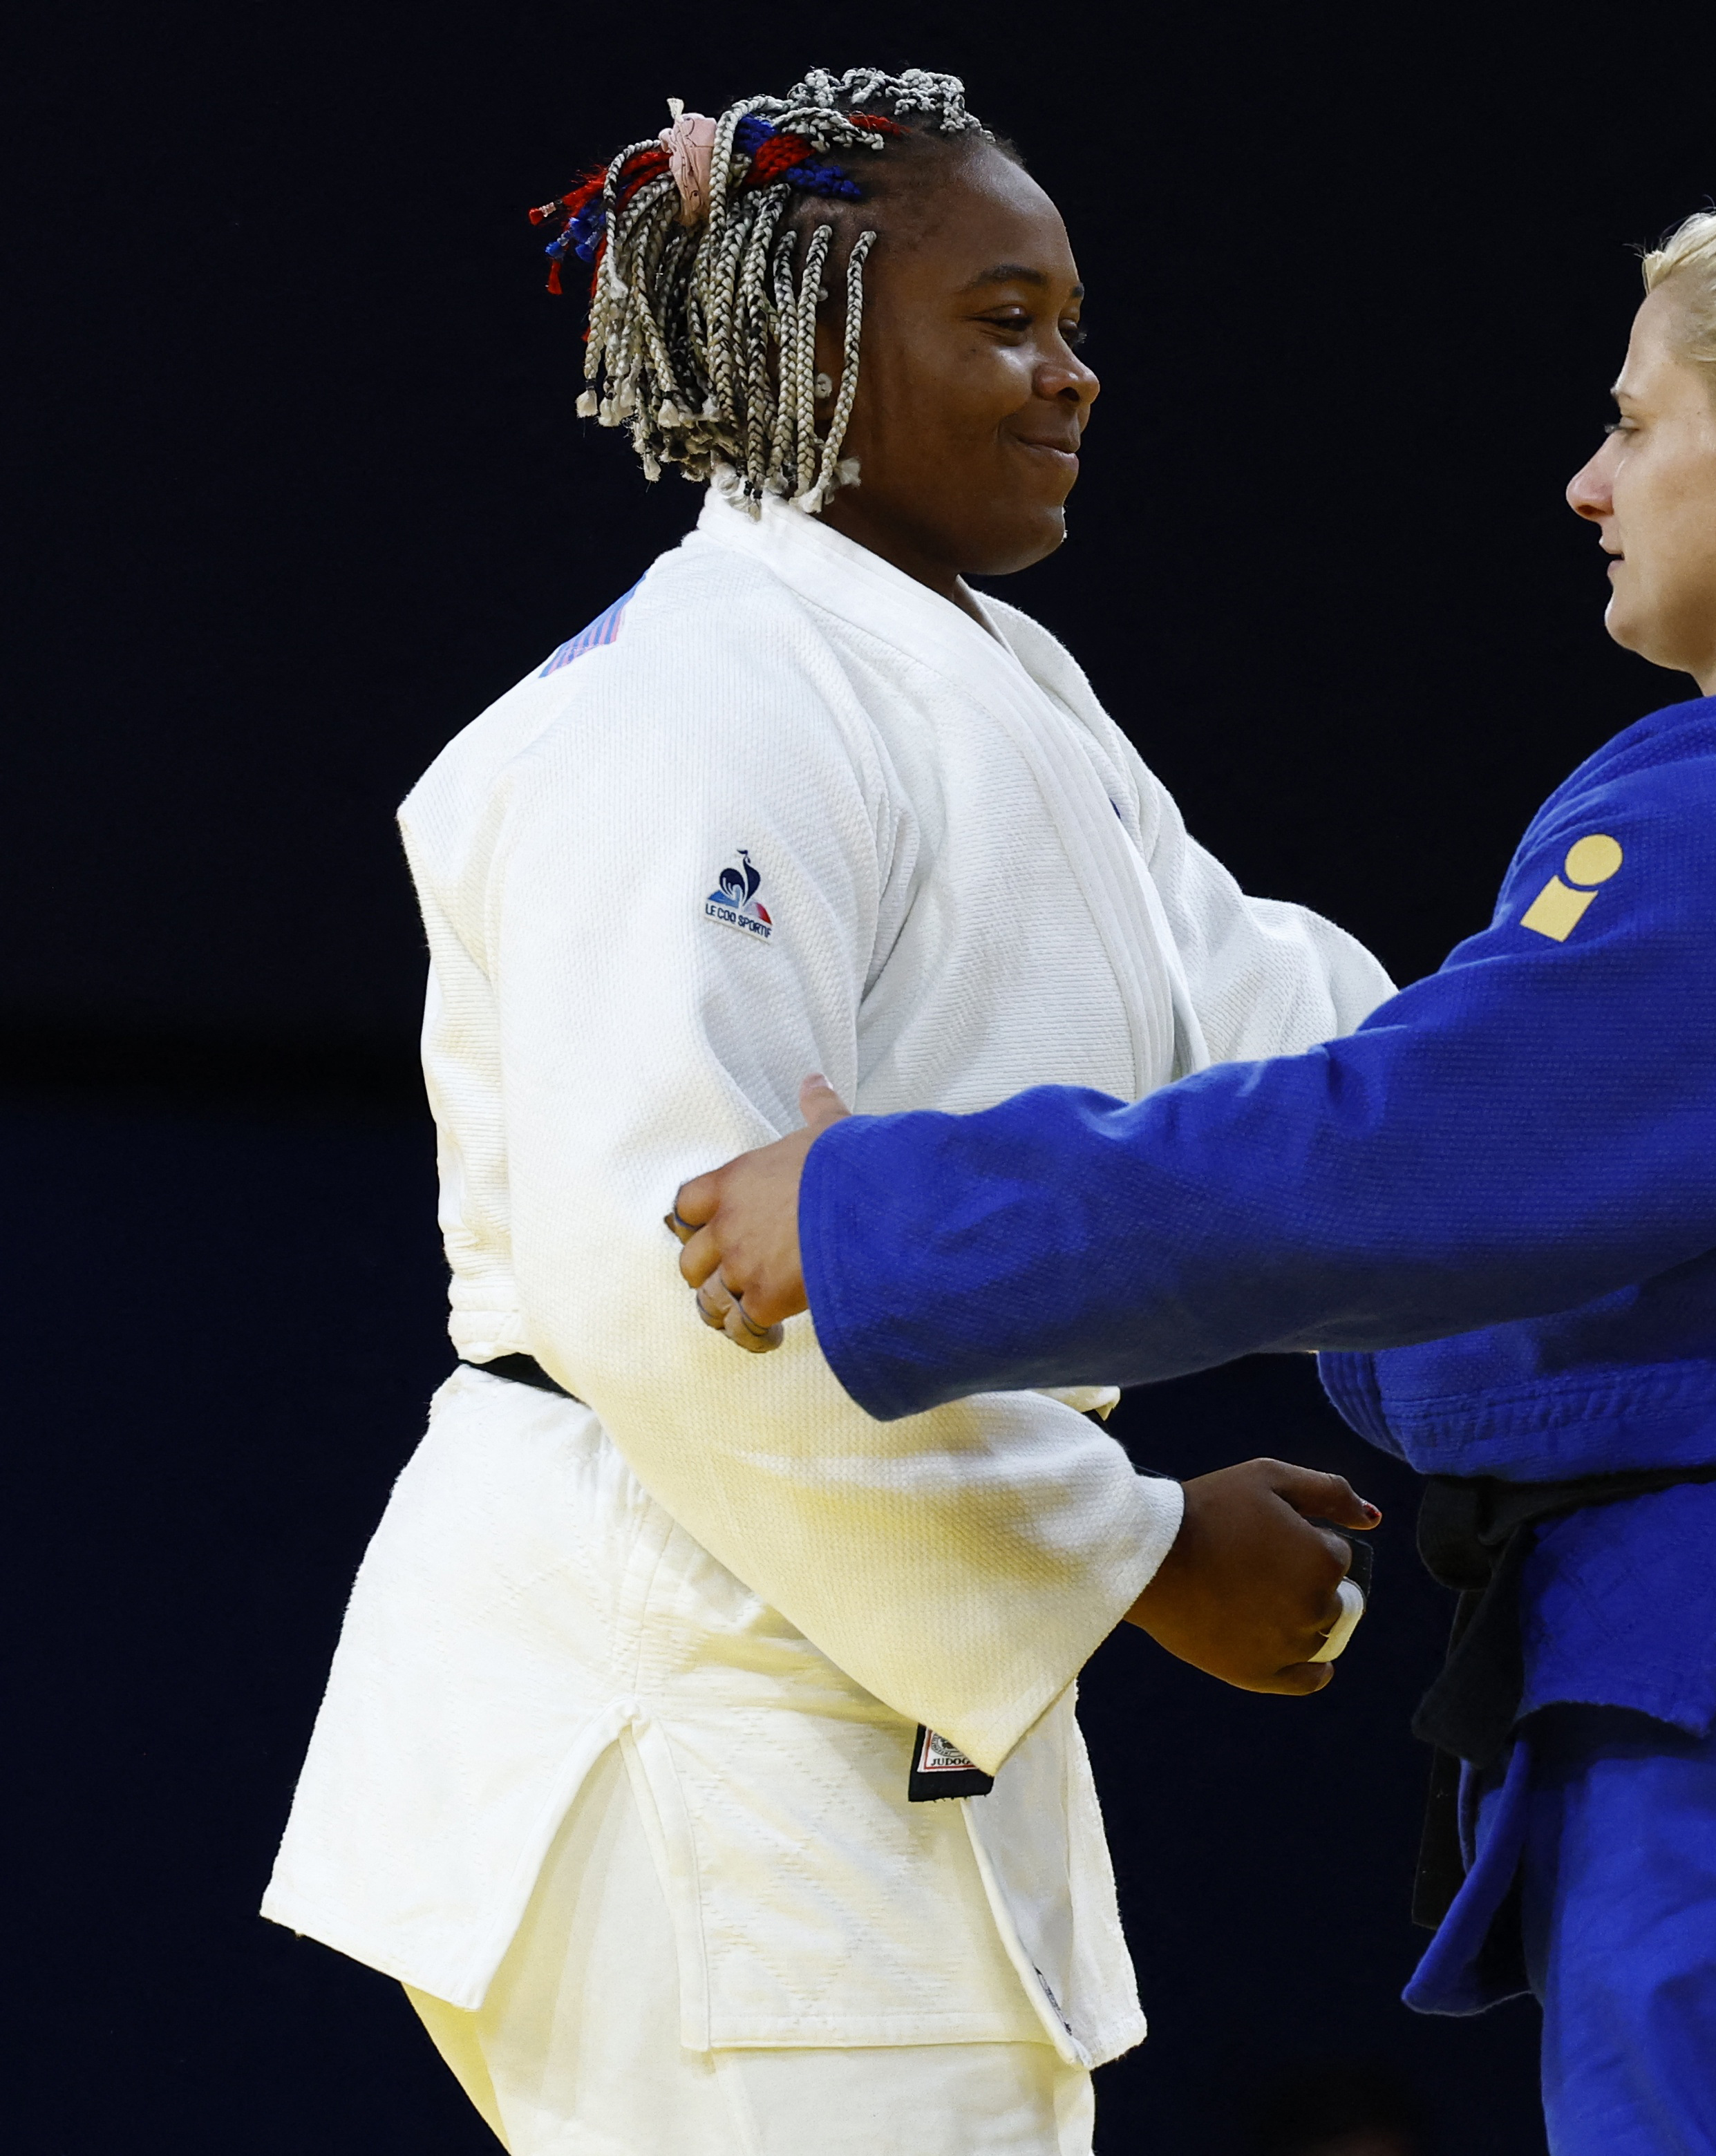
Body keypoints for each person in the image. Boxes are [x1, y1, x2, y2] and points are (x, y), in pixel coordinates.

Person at [675, 174, 1716, 2153]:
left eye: (1632, 423)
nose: (1588, 482)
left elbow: (1391, 1170)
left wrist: (889, 1213)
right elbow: (1647, 1272)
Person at [262, 67, 1392, 2155]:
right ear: (813, 348)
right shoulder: (692, 704)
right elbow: (669, 1273)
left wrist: (1611, 1056)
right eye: (1005, 318)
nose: (1074, 371)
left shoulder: (990, 681)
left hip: (825, 1692)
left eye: (1066, 318)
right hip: (690, 1679)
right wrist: (1141, 1549)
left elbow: (1280, 1041)